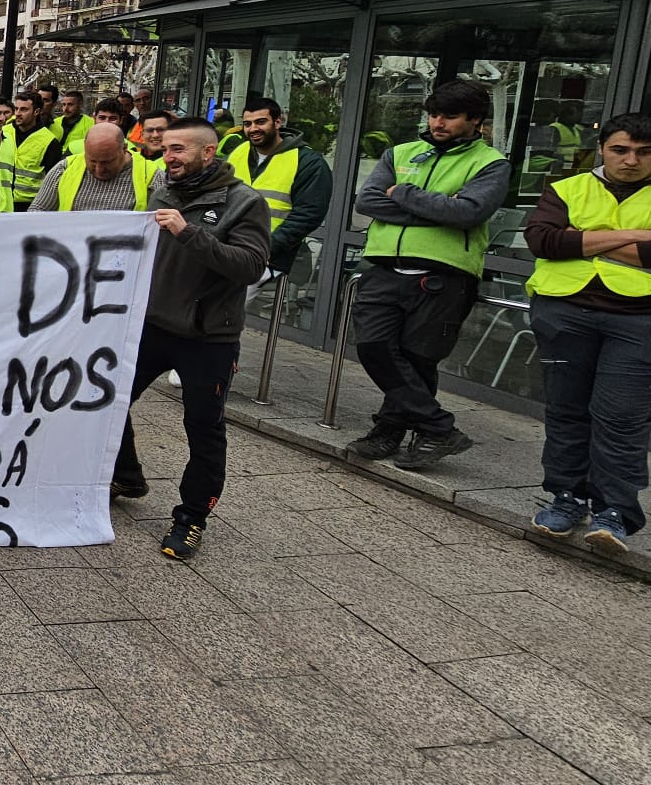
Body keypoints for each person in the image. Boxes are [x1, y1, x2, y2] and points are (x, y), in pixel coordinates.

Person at [109, 117, 272, 560]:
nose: (170, 156)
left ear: (208, 153)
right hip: (154, 326)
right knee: (110, 398)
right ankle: (128, 475)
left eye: (180, 149)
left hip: (208, 337)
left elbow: (250, 266)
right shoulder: (163, 191)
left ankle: (191, 518)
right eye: (166, 148)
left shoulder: (244, 203)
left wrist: (189, 232)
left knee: (203, 428)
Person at [348, 80, 511, 469]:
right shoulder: (401, 152)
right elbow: (367, 200)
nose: (437, 122)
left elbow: (469, 212)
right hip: (385, 265)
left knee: (418, 358)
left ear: (475, 120)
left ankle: (391, 432)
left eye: (449, 116)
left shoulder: (490, 163)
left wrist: (401, 194)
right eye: (434, 114)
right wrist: (437, 209)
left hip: (444, 274)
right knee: (373, 346)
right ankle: (439, 428)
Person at [524, 112, 651, 554]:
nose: (631, 160)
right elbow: (544, 241)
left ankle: (615, 512)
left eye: (643, 152)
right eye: (620, 150)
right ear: (602, 149)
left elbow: (566, 243)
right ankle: (566, 498)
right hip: (564, 312)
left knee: (622, 417)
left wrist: (584, 238)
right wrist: (635, 236)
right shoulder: (568, 188)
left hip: (638, 320)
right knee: (567, 410)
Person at [226, 98, 333, 288]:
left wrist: (267, 247)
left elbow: (308, 215)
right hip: (226, 249)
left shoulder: (307, 161)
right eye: (247, 124)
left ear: (277, 122)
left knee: (222, 309)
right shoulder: (238, 152)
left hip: (267, 257)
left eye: (260, 122)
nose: (253, 129)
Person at [29, 121, 158, 212]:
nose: (99, 170)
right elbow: (38, 210)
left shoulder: (151, 175)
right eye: (92, 161)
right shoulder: (65, 168)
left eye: (107, 162)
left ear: (124, 149)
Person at [7, 92, 64, 210]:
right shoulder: (4, 132)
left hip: (30, 204)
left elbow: (53, 181)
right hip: (3, 200)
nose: (17, 114)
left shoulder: (49, 141)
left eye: (24, 110)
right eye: (16, 109)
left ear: (36, 112)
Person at [51, 89, 93, 155]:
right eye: (64, 104)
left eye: (70, 104)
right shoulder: (54, 123)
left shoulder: (91, 124)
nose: (66, 109)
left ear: (80, 104)